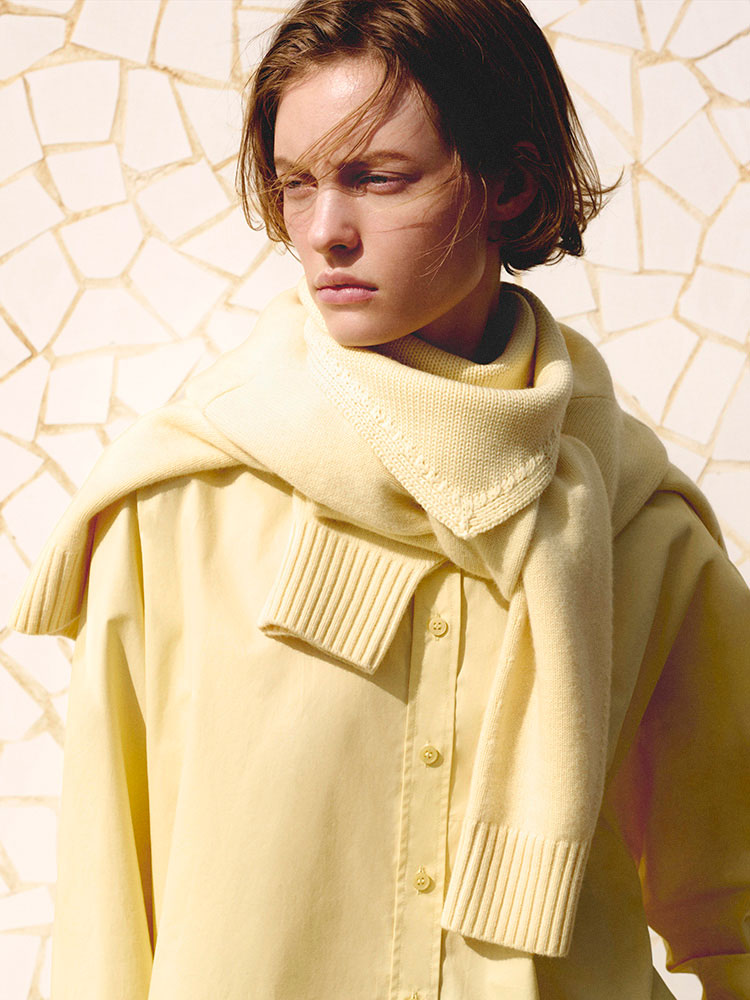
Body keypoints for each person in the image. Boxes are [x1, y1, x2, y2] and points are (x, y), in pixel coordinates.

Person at [11, 1, 750, 998]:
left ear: (513, 182)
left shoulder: (642, 531)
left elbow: (734, 912)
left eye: (378, 177)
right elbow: (107, 910)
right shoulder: (177, 508)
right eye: (297, 184)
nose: (324, 232)